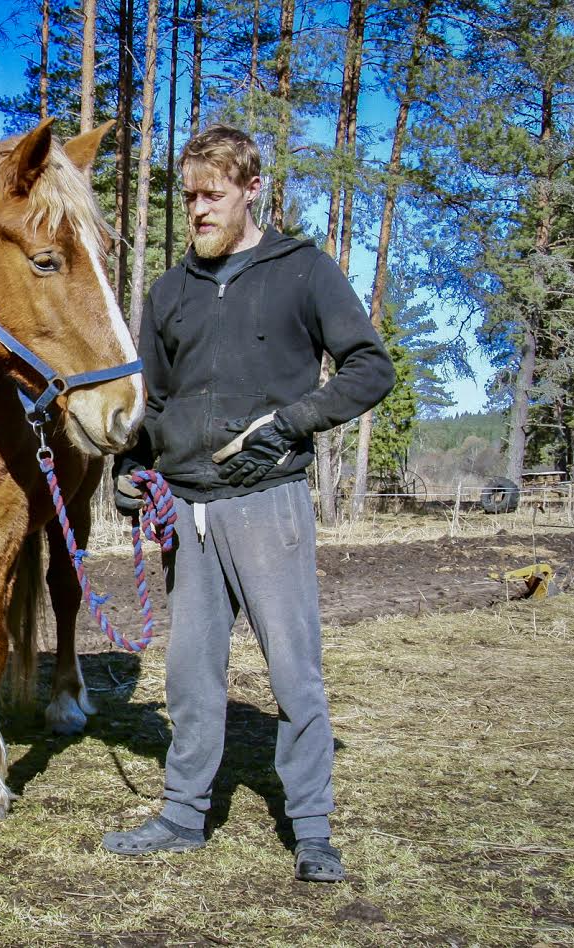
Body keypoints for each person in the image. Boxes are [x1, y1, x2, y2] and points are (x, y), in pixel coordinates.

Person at [103, 125, 395, 882]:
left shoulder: (303, 271)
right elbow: (153, 401)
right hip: (188, 516)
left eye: (213, 195)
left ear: (251, 189)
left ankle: (313, 830)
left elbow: (370, 368)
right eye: (189, 196)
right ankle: (181, 814)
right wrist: (133, 469)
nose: (197, 209)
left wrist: (295, 423)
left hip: (269, 503)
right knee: (190, 673)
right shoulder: (168, 292)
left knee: (295, 671)